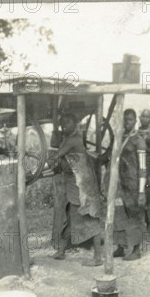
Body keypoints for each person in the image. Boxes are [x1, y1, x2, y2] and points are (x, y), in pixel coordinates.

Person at [51, 112, 103, 266]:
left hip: (81, 185)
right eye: (62, 123)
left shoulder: (73, 140)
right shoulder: (68, 139)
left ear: (75, 124)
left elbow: (56, 156)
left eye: (67, 122)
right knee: (70, 216)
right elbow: (60, 162)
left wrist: (45, 165)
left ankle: (98, 258)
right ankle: (61, 251)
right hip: (73, 183)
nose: (63, 125)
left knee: (90, 218)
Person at [106, 108, 146, 261]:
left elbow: (143, 169)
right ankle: (121, 247)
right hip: (119, 184)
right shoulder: (118, 138)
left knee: (134, 215)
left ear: (135, 121)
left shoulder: (139, 142)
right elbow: (109, 156)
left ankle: (136, 250)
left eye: (129, 119)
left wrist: (142, 192)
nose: (126, 122)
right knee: (119, 213)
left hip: (133, 184)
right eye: (124, 120)